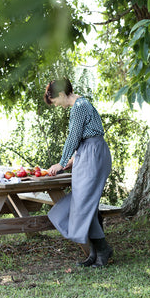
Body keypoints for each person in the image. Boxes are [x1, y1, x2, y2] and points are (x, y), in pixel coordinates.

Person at [44, 78, 113, 267]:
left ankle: (103, 250)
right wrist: (74, 160)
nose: (58, 105)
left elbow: (73, 137)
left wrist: (61, 162)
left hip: (93, 155)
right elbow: (85, 135)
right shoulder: (82, 104)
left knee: (83, 203)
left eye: (55, 101)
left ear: (60, 94)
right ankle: (95, 253)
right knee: (87, 204)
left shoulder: (79, 106)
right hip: (87, 154)